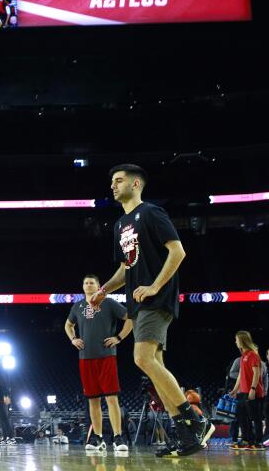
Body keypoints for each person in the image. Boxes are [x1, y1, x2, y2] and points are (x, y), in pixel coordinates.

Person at [91, 164, 213, 457]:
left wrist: (155, 287)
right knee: (155, 367)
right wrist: (104, 291)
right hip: (137, 303)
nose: (113, 185)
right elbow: (125, 268)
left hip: (155, 300)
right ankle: (186, 435)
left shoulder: (151, 213)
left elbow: (177, 251)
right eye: (111, 181)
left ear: (135, 184)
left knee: (142, 358)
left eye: (118, 180)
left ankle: (195, 420)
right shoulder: (120, 224)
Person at [66, 274, 133, 452]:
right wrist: (73, 339)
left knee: (111, 398)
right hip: (85, 358)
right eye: (86, 282)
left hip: (106, 356)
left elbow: (130, 318)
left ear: (98, 286)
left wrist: (119, 337)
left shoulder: (109, 302)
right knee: (93, 401)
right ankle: (98, 438)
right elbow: (68, 325)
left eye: (92, 283)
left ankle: (118, 437)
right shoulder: (77, 306)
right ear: (83, 287)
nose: (88, 285)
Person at [230, 331, 265, 450]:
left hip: (253, 391)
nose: (235, 342)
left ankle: (258, 442)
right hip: (243, 392)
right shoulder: (243, 356)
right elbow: (240, 374)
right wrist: (235, 389)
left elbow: (256, 373)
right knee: (242, 417)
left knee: (256, 417)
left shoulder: (252, 355)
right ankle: (247, 440)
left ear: (242, 340)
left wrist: (253, 389)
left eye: (236, 339)